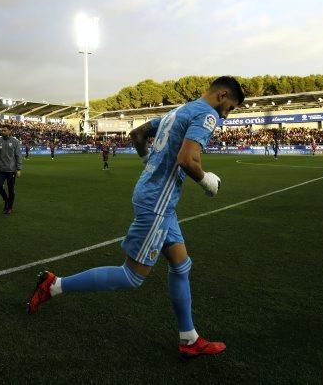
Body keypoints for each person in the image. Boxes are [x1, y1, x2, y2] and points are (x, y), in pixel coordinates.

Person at [26, 76, 245, 358]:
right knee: (131, 276)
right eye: (229, 108)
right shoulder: (206, 115)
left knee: (181, 265)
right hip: (157, 202)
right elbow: (187, 159)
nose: (225, 115)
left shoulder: (178, 110)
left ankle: (189, 339)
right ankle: (54, 285)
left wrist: (149, 162)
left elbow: (138, 134)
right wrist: (206, 181)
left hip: (154, 196)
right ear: (221, 95)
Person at [0, 125, 22, 214]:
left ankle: (9, 207)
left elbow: (18, 155)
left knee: (11, 190)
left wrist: (19, 168)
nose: (3, 132)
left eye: (5, 130)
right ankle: (6, 200)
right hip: (1, 169)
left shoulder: (15, 142)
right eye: (2, 130)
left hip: (11, 170)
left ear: (10, 131)